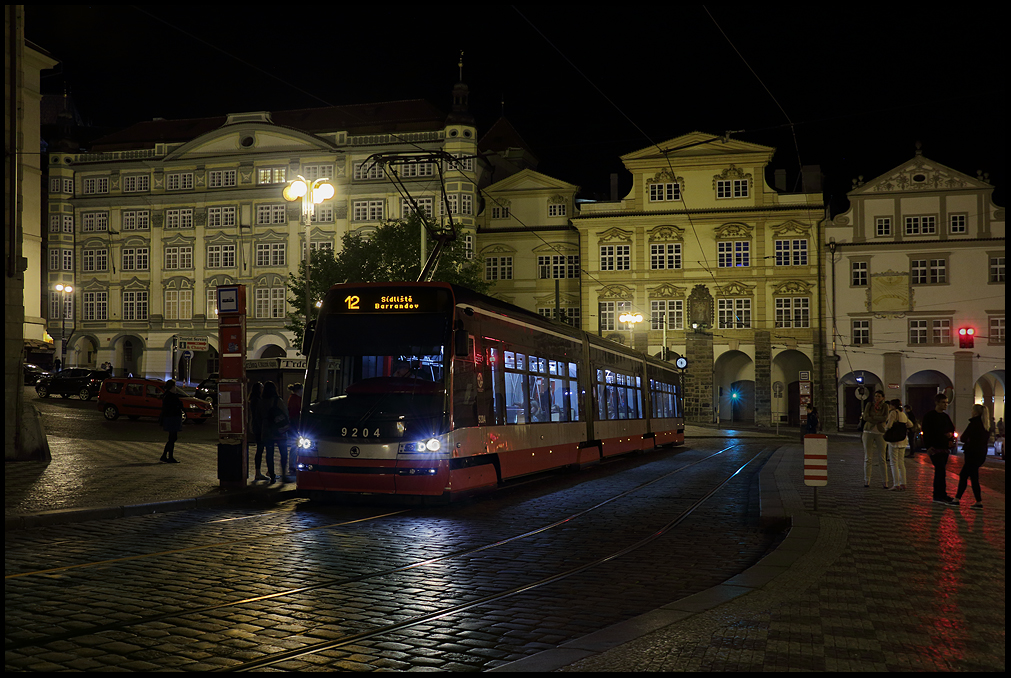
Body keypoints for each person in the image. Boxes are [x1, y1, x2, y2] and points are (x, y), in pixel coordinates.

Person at [921, 392, 956, 505]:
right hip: (935, 448)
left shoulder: (945, 416)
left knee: (942, 471)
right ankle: (938, 495)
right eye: (943, 402)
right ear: (937, 403)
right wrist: (928, 446)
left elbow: (951, 428)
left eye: (946, 403)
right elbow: (927, 432)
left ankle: (942, 494)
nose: (945, 405)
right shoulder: (929, 416)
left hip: (944, 448)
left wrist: (950, 436)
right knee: (940, 470)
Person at [954, 404, 990, 509]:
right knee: (971, 476)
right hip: (980, 454)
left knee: (967, 476)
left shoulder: (974, 423)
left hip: (972, 454)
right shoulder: (985, 425)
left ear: (975, 412)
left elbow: (964, 437)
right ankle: (962, 499)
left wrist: (969, 440)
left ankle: (960, 499)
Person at [256, 381, 288, 484]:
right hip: (279, 431)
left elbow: (258, 417)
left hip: (267, 430)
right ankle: (283, 473)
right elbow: (285, 414)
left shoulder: (261, 402)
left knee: (269, 454)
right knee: (283, 452)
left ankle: (272, 475)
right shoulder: (278, 401)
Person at [861, 390, 890, 488]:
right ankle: (866, 480)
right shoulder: (869, 405)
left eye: (879, 396)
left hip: (880, 432)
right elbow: (865, 416)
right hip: (868, 431)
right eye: (876, 396)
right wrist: (877, 418)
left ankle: (885, 481)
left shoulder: (885, 406)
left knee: (882, 458)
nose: (877, 398)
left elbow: (885, 417)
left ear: (883, 398)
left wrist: (873, 417)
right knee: (867, 457)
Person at [883, 399, 910, 490]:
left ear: (893, 406)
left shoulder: (893, 413)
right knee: (901, 462)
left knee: (893, 462)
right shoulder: (903, 414)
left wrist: (885, 429)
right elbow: (910, 424)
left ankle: (896, 484)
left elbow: (889, 425)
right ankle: (903, 483)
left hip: (894, 440)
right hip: (903, 440)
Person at [159, 379, 185, 463]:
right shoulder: (171, 396)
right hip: (172, 418)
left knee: (172, 438)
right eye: (174, 386)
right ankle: (169, 456)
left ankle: (165, 456)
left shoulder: (167, 395)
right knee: (172, 438)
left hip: (170, 418)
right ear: (172, 387)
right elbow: (178, 405)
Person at [248, 382, 267, 481]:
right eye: (262, 387)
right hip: (259, 428)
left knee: (260, 449)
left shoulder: (254, 400)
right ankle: (258, 472)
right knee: (260, 449)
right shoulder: (257, 401)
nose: (263, 389)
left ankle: (258, 472)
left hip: (256, 427)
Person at [286, 383, 303, 475]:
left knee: (295, 445)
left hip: (294, 425)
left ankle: (293, 465)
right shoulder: (296, 399)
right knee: (295, 446)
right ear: (299, 390)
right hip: (296, 425)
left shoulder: (292, 398)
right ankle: (292, 465)